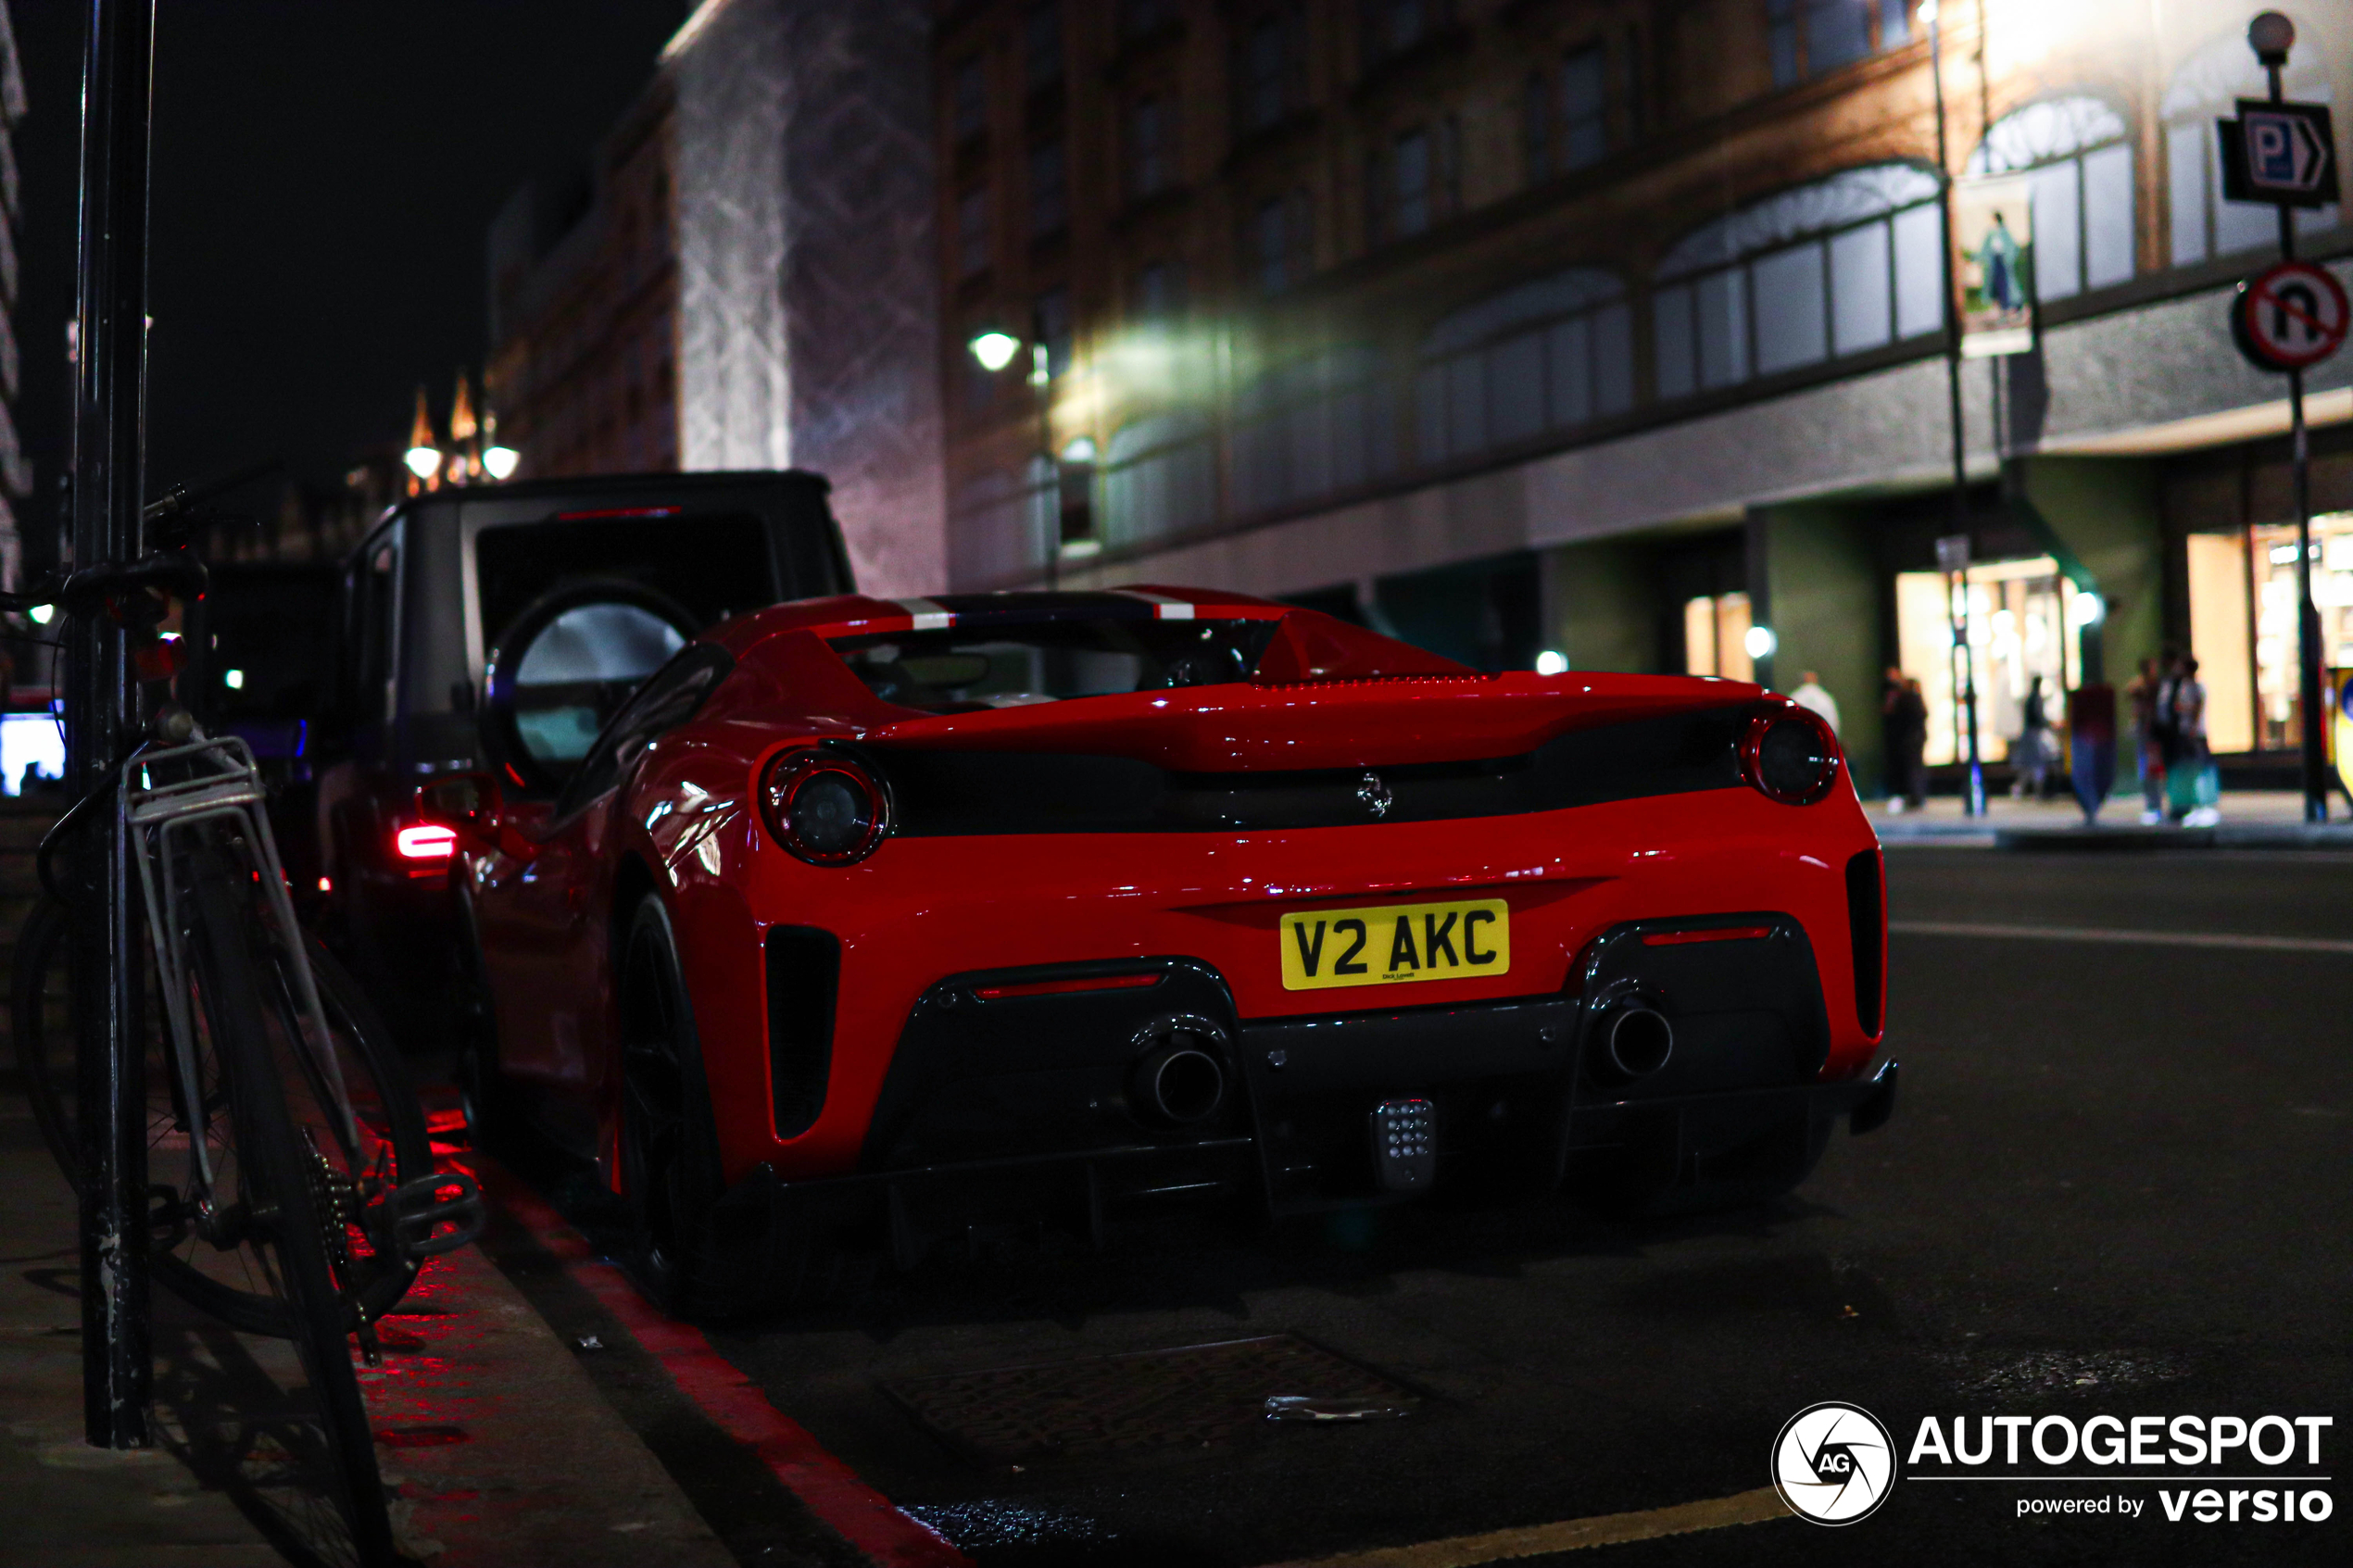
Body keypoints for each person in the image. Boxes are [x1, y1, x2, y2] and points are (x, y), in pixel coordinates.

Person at [2166, 655, 2221, 826]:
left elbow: (2197, 706)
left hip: (2194, 733)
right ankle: (2193, 806)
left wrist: (2193, 727)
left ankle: (2205, 805)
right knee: (2191, 768)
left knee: (2199, 767)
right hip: (2188, 731)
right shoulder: (2185, 686)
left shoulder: (2195, 687)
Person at [2066, 680, 2117, 825]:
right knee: (2094, 773)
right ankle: (2091, 808)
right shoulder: (2103, 702)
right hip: (2097, 737)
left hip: (2089, 737)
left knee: (2088, 774)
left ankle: (2090, 808)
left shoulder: (2085, 705)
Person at [2125, 655, 2165, 824]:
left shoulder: (2155, 685)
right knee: (2146, 770)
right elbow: (2130, 692)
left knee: (2153, 770)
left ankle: (2155, 805)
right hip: (2145, 731)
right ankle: (2152, 805)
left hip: (2153, 732)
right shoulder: (2141, 684)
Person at [1889, 676, 1929, 812]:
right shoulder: (1918, 700)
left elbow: (1896, 716)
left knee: (1912, 767)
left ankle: (1915, 795)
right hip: (1917, 738)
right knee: (1916, 766)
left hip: (1909, 739)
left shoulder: (1905, 700)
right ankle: (1917, 795)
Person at [2013, 674, 2053, 799]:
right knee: (2036, 764)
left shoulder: (2030, 698)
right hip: (2033, 734)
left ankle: (2021, 790)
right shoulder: (2036, 698)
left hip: (2029, 734)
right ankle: (2037, 791)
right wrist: (2048, 725)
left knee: (2028, 765)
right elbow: (2038, 716)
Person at [1790, 671, 1841, 736]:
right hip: (1822, 740)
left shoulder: (1795, 697)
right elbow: (1834, 723)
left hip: (1798, 741)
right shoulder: (1825, 698)